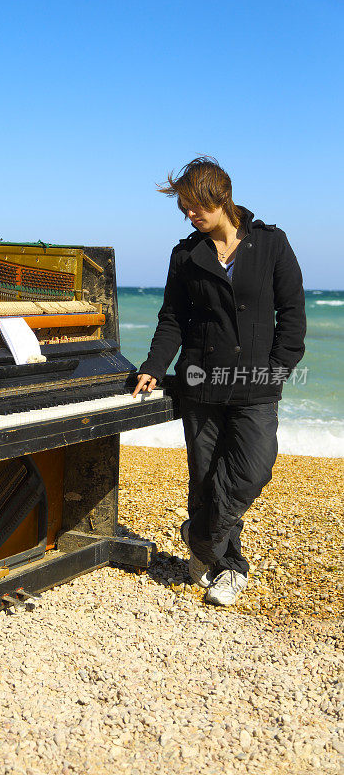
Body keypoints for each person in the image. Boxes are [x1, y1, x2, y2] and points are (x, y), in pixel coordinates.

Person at [132, 156, 306, 606]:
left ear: (221, 197)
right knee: (206, 478)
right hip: (201, 382)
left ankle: (201, 540)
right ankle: (230, 568)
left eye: (196, 206)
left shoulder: (271, 244)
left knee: (253, 468)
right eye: (185, 208)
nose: (191, 214)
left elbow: (292, 315)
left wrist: (277, 370)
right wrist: (153, 365)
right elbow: (171, 318)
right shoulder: (186, 254)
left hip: (256, 385)